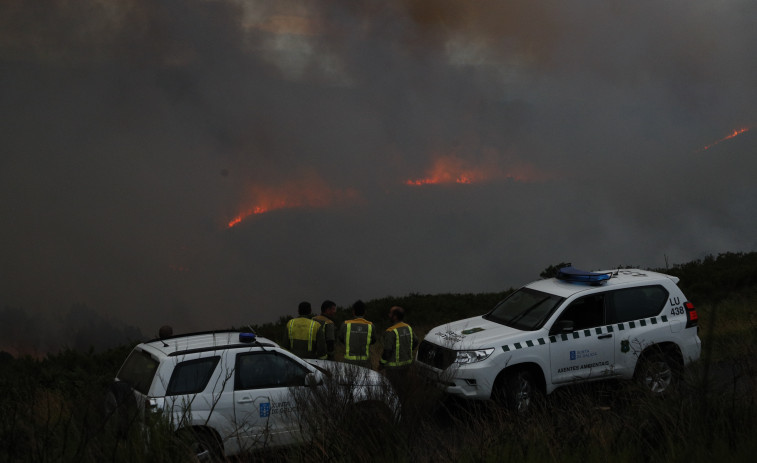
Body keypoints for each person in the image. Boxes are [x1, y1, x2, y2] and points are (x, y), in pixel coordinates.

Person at [379, 306, 420, 392]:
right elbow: (416, 341)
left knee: (393, 390)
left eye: (390, 313)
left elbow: (387, 351)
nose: (388, 315)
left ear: (395, 316)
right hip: (407, 365)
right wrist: (407, 350)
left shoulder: (391, 331)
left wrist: (381, 364)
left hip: (394, 368)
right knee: (404, 387)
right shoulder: (408, 327)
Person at [338, 300, 376, 369]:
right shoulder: (371, 325)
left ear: (353, 311)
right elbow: (373, 341)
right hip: (365, 363)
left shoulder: (345, 324)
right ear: (365, 312)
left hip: (349, 362)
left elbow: (341, 339)